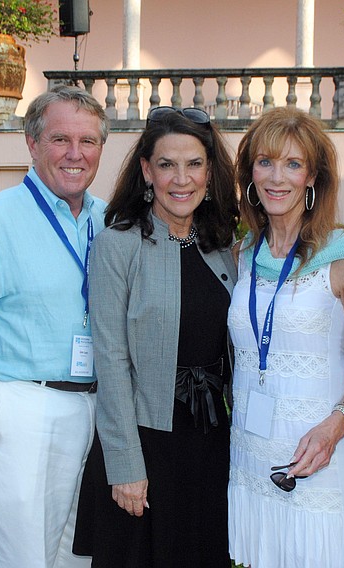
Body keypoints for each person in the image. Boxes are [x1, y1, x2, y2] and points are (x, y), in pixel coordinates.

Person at [0, 85, 109, 568]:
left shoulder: (112, 221)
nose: (75, 154)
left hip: (97, 408)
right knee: (19, 555)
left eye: (88, 141)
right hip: (20, 408)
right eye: (61, 139)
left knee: (79, 555)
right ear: (32, 142)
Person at [73, 106, 238, 567]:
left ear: (209, 173)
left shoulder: (222, 245)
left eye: (194, 164)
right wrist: (125, 466)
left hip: (208, 443)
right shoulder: (117, 244)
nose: (180, 179)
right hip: (145, 443)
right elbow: (110, 359)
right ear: (147, 171)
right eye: (167, 165)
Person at [227, 107, 344, 567]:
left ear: (312, 177)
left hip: (319, 450)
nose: (277, 177)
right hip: (251, 450)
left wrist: (337, 425)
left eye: (293, 164)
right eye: (265, 162)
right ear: (250, 172)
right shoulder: (241, 254)